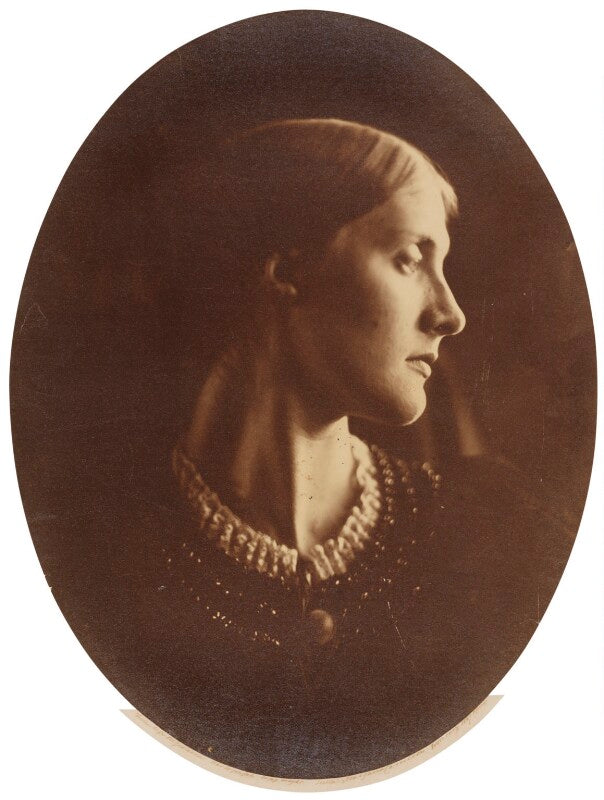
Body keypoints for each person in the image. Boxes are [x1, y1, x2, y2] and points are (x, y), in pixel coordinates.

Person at [101, 119, 572, 780]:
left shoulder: (503, 530)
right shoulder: (101, 559)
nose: (450, 313)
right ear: (289, 270)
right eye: (409, 259)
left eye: (442, 266)